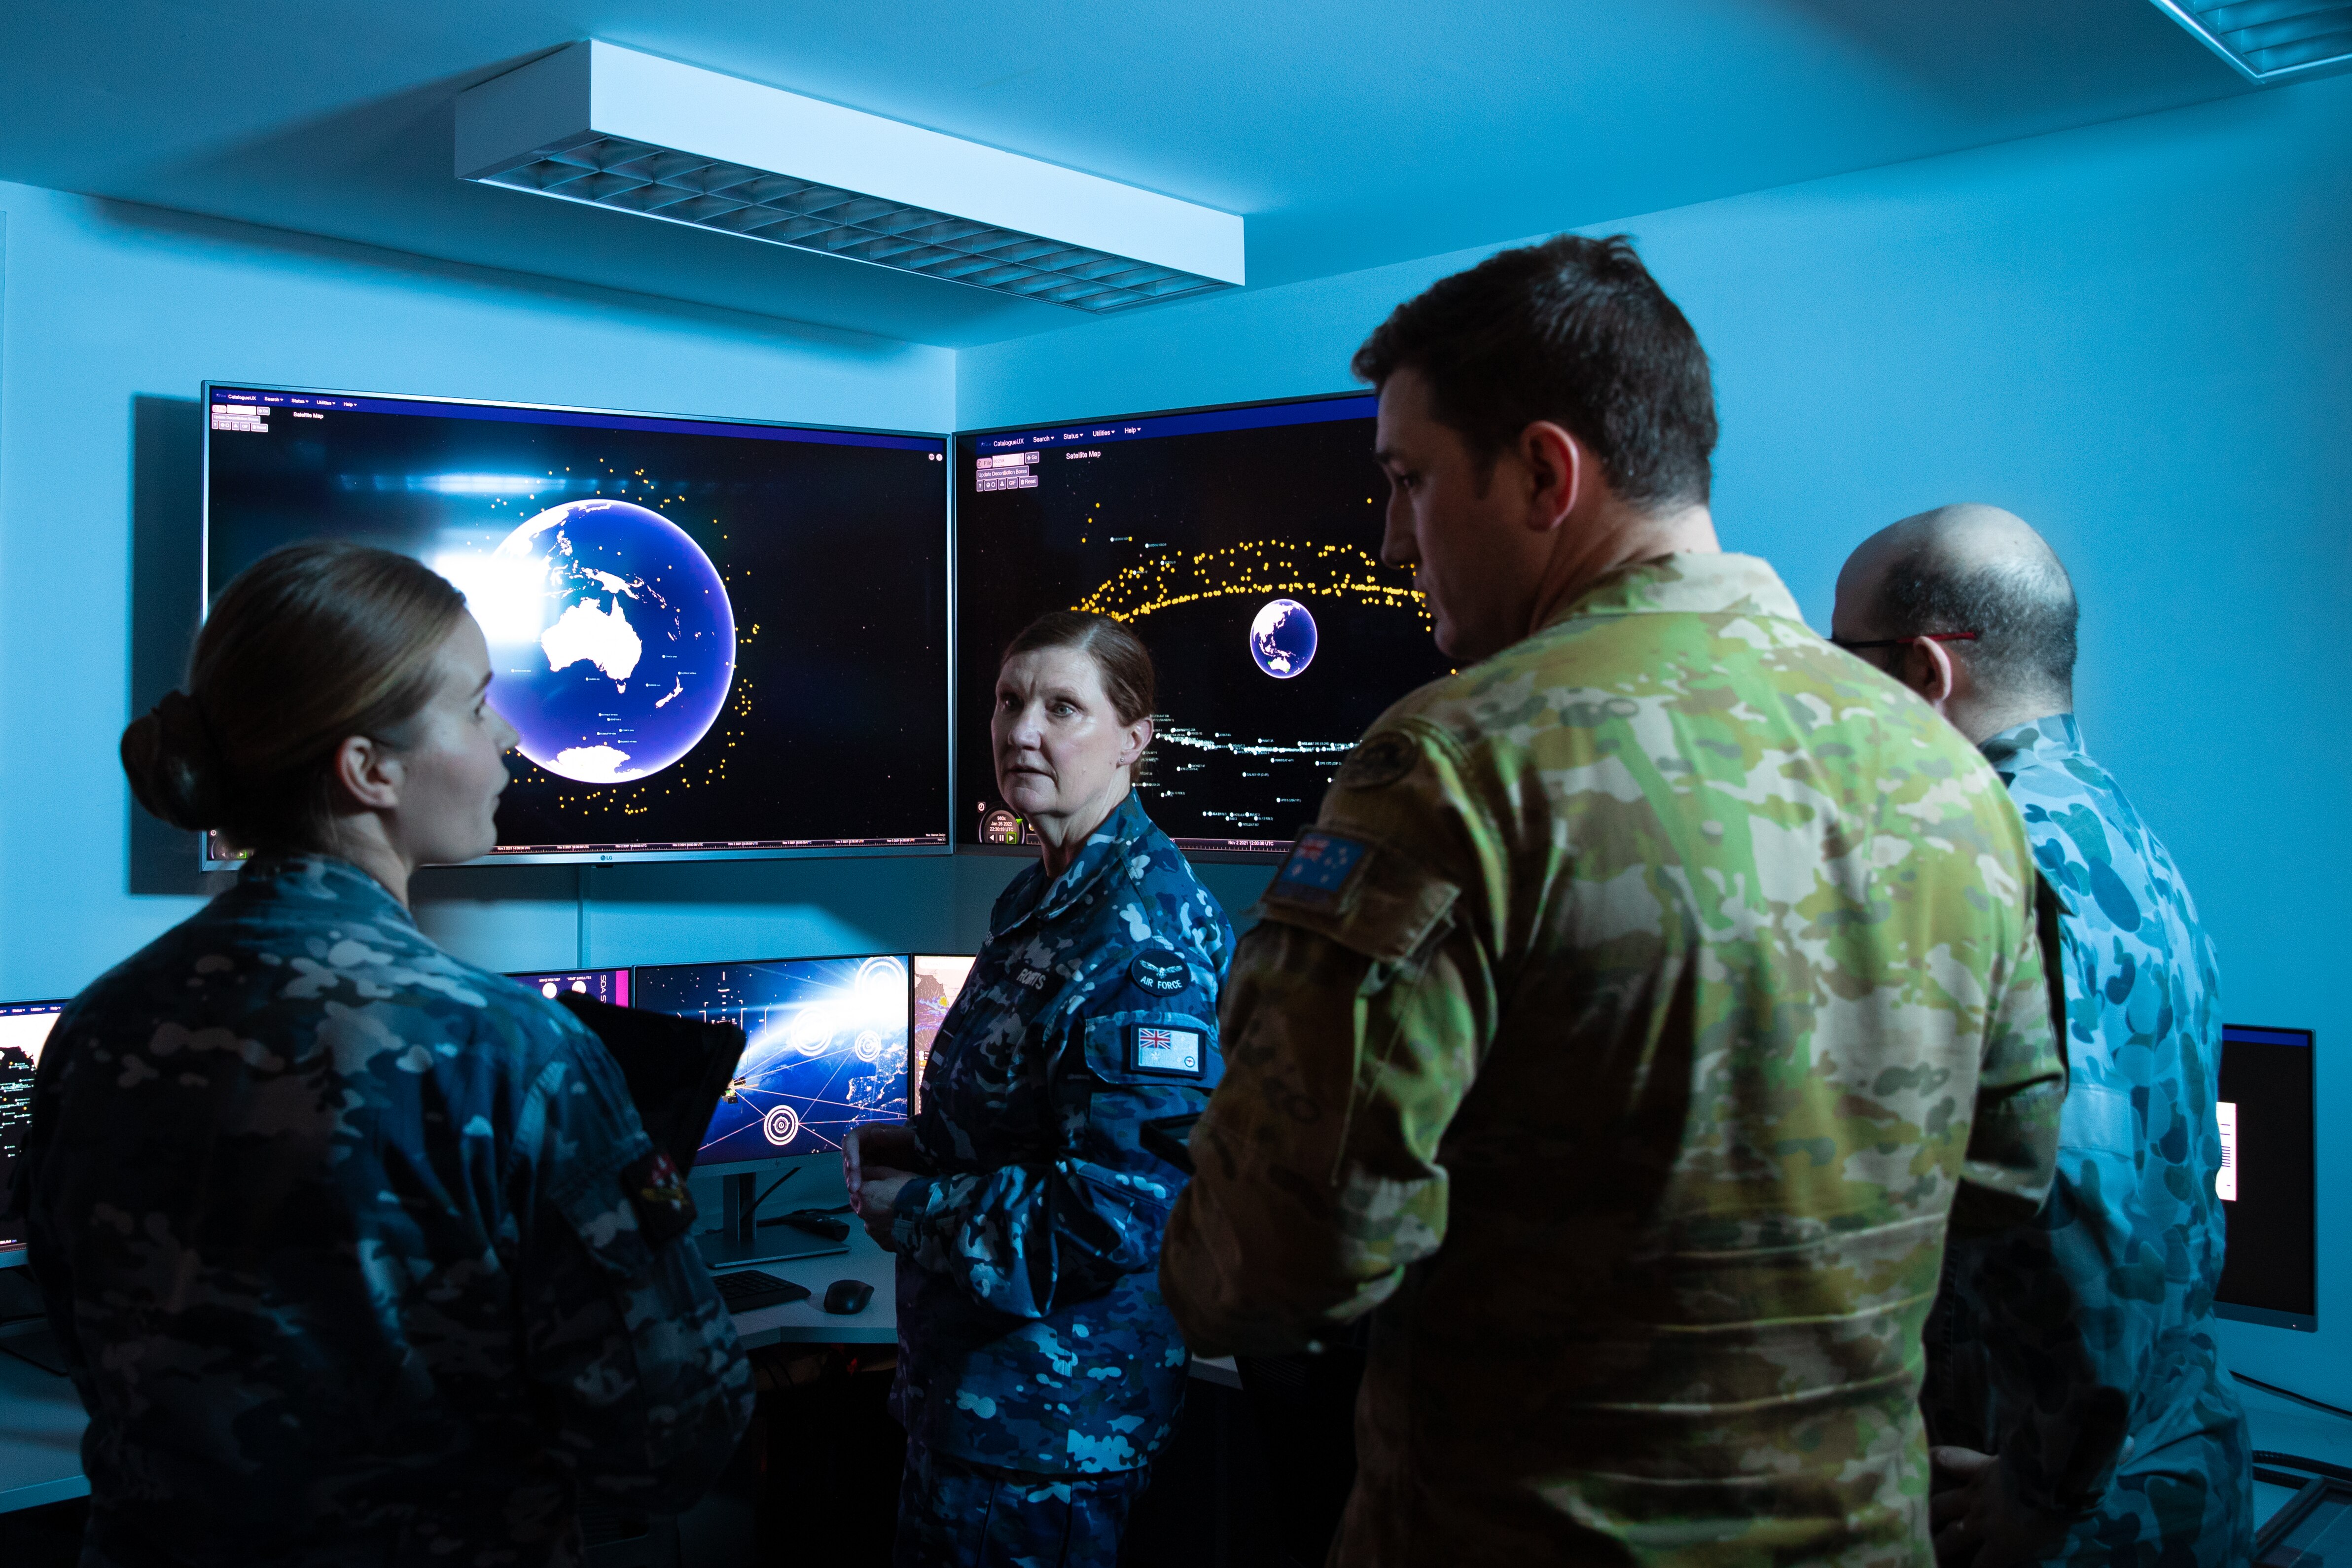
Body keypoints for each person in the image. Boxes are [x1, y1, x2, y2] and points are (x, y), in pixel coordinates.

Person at [1156, 234, 2070, 1566]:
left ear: (1542, 472)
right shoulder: (1944, 768)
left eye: (1409, 481)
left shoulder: (1460, 762)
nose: (1389, 537)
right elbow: (2000, 1174)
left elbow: (1273, 1257)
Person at [16, 542, 752, 1568]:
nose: (509, 739)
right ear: (368, 769)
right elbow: (669, 1442)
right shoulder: (508, 1050)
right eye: (478, 704)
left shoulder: (93, 1031)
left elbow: (83, 1344)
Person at [1832, 504, 2251, 1567]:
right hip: (2164, 1460)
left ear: (1926, 672)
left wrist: (2045, 1490)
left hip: (2061, 1513)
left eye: (1843, 661)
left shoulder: (1998, 868)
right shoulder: (2121, 833)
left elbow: (2081, 1206)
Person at [843, 610, 1232, 1568]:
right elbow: (1032, 1121)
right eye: (1010, 701)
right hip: (978, 1400)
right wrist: (921, 1149)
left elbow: (1115, 1214)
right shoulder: (1043, 897)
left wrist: (917, 1208)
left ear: (1135, 739)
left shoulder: (1141, 939)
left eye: (1064, 707)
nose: (1022, 731)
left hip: (1049, 1429)